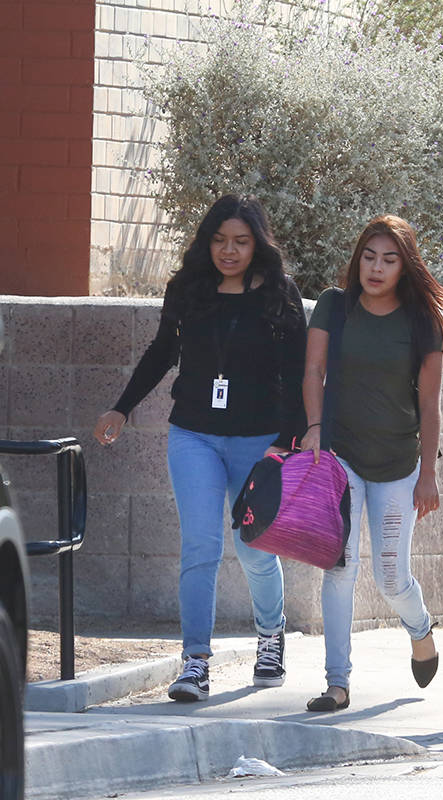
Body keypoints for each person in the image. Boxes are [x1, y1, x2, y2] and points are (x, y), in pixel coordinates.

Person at [93, 194, 305, 702]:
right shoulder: (188, 289)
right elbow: (162, 351)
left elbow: (299, 372)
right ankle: (195, 662)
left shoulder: (280, 293)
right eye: (219, 240)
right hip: (194, 433)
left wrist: (289, 441)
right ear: (206, 242)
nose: (228, 251)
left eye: (240, 241)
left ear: (257, 244)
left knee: (254, 548)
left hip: (259, 438)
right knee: (200, 547)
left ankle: (270, 635)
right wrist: (121, 408)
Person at [299, 215, 443, 712]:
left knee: (390, 577)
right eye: (369, 256)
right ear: (356, 258)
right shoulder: (333, 307)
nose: (376, 268)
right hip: (341, 458)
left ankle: (420, 628)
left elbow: (430, 404)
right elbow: (314, 370)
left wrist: (428, 473)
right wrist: (315, 428)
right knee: (339, 566)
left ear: (405, 267)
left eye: (389, 259)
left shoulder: (422, 321)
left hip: (399, 462)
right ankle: (337, 682)